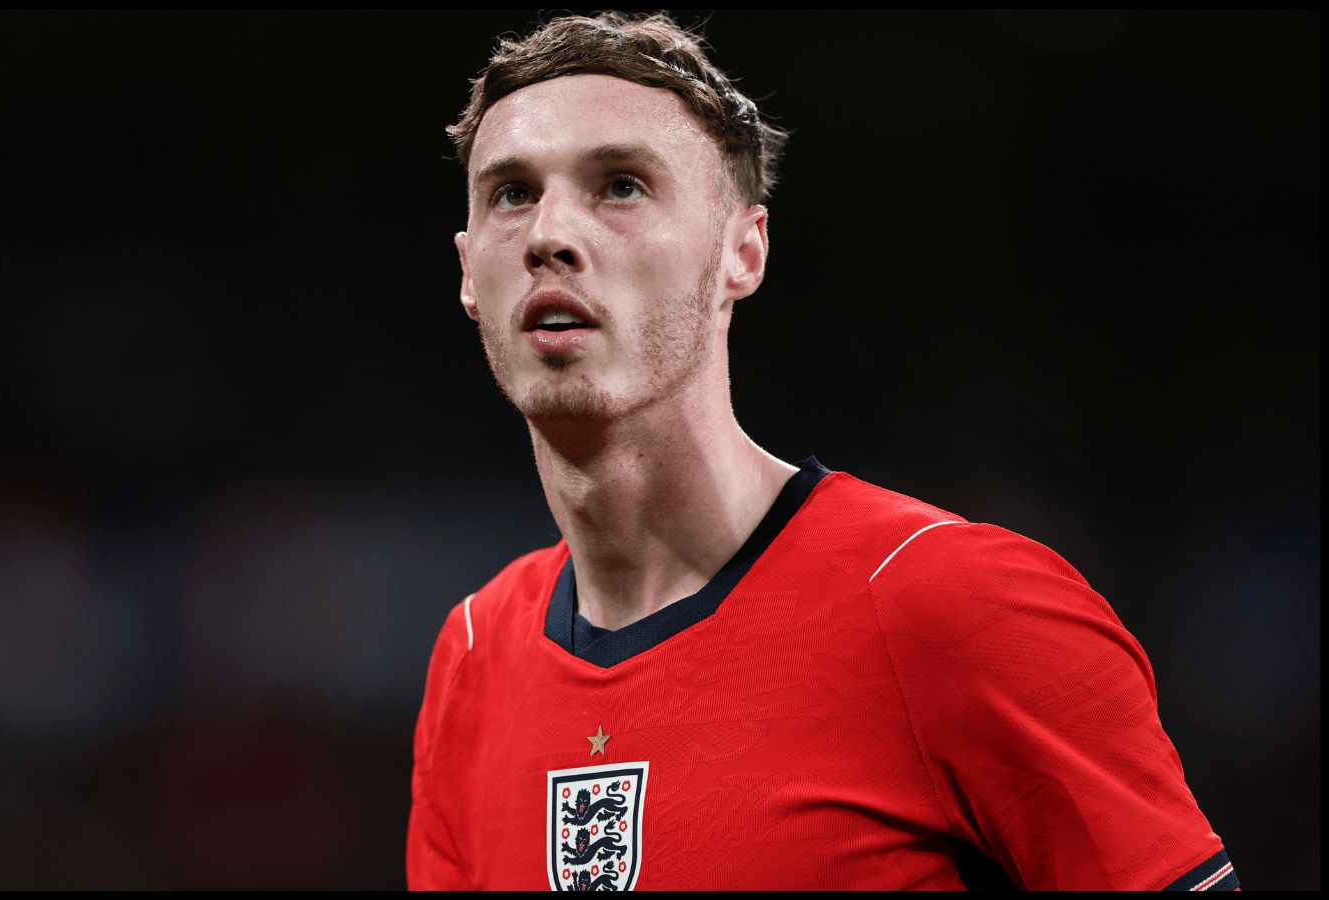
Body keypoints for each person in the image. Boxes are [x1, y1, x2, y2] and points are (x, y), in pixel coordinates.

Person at [408, 11, 1236, 891]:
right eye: (512, 193)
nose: (548, 235)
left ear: (741, 252)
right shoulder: (472, 656)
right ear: (467, 271)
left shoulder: (952, 604)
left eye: (620, 186)